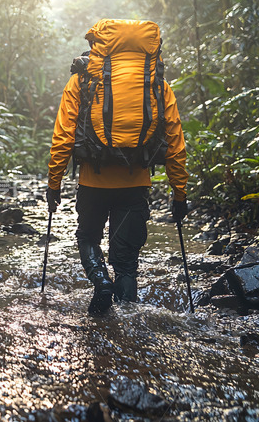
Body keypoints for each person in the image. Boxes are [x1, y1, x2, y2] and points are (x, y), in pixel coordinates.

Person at [46, 19, 188, 314]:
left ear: (96, 46)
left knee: (87, 238)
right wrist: (179, 194)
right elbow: (175, 142)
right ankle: (128, 326)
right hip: (135, 184)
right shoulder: (157, 85)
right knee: (127, 263)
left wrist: (54, 183)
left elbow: (63, 136)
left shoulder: (81, 81)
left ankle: (100, 281)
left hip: (92, 182)